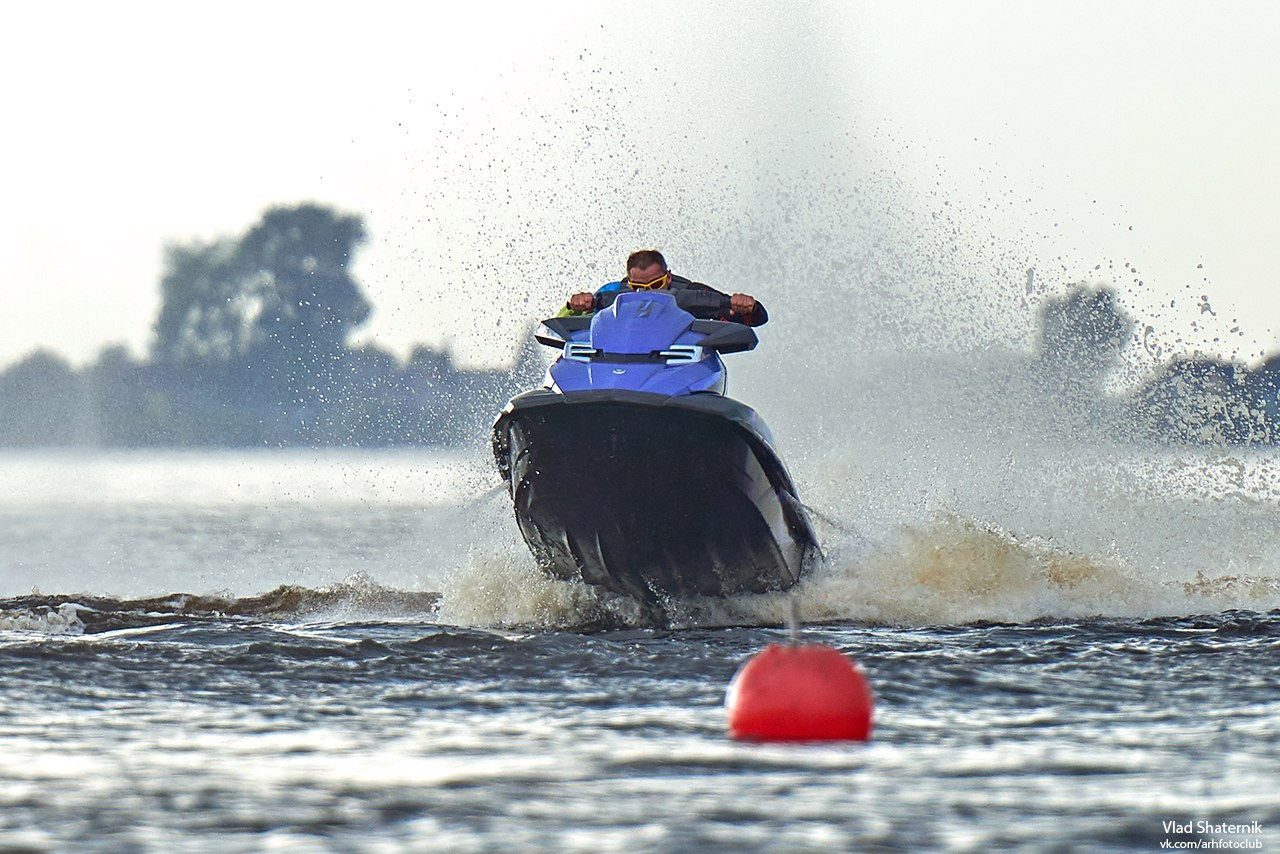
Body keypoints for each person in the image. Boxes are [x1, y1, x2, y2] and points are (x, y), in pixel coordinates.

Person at [559, 250, 768, 326]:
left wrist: (749, 308)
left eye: (656, 285)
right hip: (619, 361)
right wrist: (573, 306)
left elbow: (752, 319)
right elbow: (563, 323)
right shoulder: (610, 294)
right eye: (639, 287)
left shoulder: (691, 292)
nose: (649, 293)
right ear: (629, 282)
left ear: (667, 277)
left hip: (674, 367)